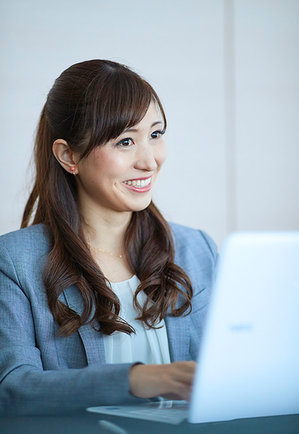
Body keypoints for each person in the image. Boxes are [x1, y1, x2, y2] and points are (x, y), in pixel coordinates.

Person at [0, 59, 217, 415]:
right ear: (69, 155)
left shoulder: (197, 250)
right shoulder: (15, 262)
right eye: (125, 141)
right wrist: (136, 380)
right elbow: (12, 388)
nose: (149, 161)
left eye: (156, 134)